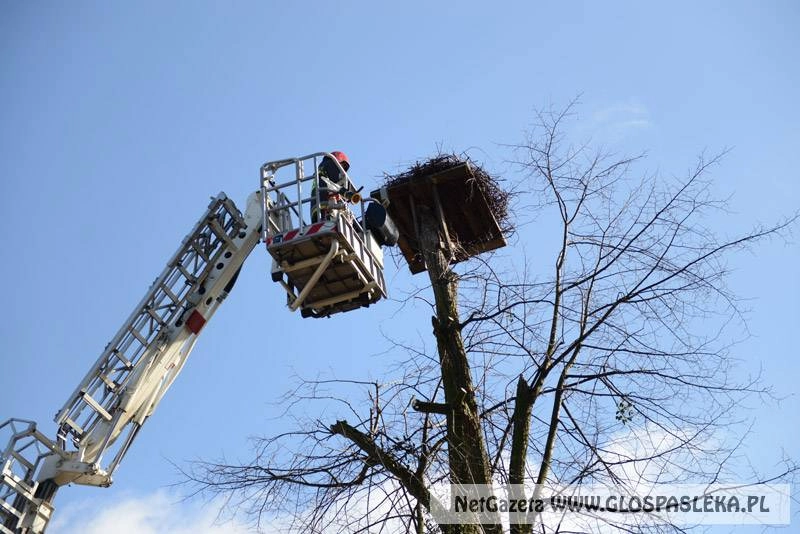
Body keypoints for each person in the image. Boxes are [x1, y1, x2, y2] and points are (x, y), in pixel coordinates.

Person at [311, 151, 351, 222]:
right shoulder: (330, 163)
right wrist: (346, 192)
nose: (342, 171)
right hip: (324, 206)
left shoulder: (322, 171)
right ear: (337, 161)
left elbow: (330, 184)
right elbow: (334, 182)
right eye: (342, 166)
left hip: (317, 208)